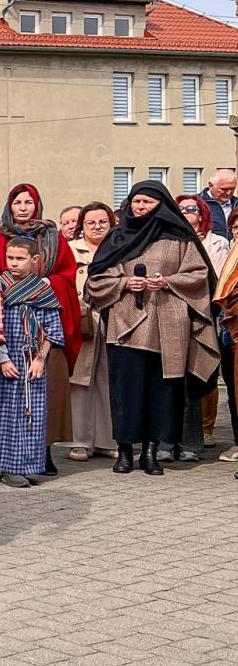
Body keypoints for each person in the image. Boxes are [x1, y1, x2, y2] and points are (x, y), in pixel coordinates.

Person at [87, 180, 218, 476]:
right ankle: (124, 451)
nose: (141, 207)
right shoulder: (117, 237)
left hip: (167, 325)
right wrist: (123, 283)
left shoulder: (179, 238)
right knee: (126, 391)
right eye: (136, 201)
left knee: (161, 392)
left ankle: (150, 452)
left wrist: (168, 282)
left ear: (161, 204)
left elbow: (199, 274)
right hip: (124, 324)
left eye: (147, 202)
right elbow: (96, 279)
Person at [0, 184, 82, 469]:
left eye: (29, 202)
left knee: (42, 394)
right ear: (9, 206)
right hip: (6, 326)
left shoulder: (53, 237)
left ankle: (42, 453)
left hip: (43, 320)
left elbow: (68, 274)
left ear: (37, 205)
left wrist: (45, 284)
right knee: (3, 399)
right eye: (17, 202)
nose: (23, 207)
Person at [0, 238, 64, 488]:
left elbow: (52, 328)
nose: (13, 263)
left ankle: (29, 465)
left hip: (31, 360)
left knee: (32, 413)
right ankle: (6, 467)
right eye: (10, 258)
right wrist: (2, 359)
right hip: (6, 361)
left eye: (20, 258)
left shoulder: (42, 290)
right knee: (5, 413)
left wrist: (41, 359)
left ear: (34, 260)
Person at [175, 195, 227, 454]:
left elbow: (217, 276)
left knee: (206, 369)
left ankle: (207, 428)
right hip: (177, 313)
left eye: (191, 209)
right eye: (180, 208)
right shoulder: (173, 239)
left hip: (210, 310)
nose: (185, 213)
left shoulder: (217, 243)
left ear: (202, 213)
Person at [68, 202, 117, 462]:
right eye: (91, 223)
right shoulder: (70, 249)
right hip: (82, 320)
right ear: (82, 226)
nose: (97, 227)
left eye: (102, 222)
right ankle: (80, 442)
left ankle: (106, 441)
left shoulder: (120, 248)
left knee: (108, 380)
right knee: (80, 381)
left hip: (113, 319)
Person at [200, 168, 236, 243]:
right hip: (208, 251)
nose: (229, 193)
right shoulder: (196, 204)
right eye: (224, 189)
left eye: (232, 189)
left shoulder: (236, 204)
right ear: (210, 185)